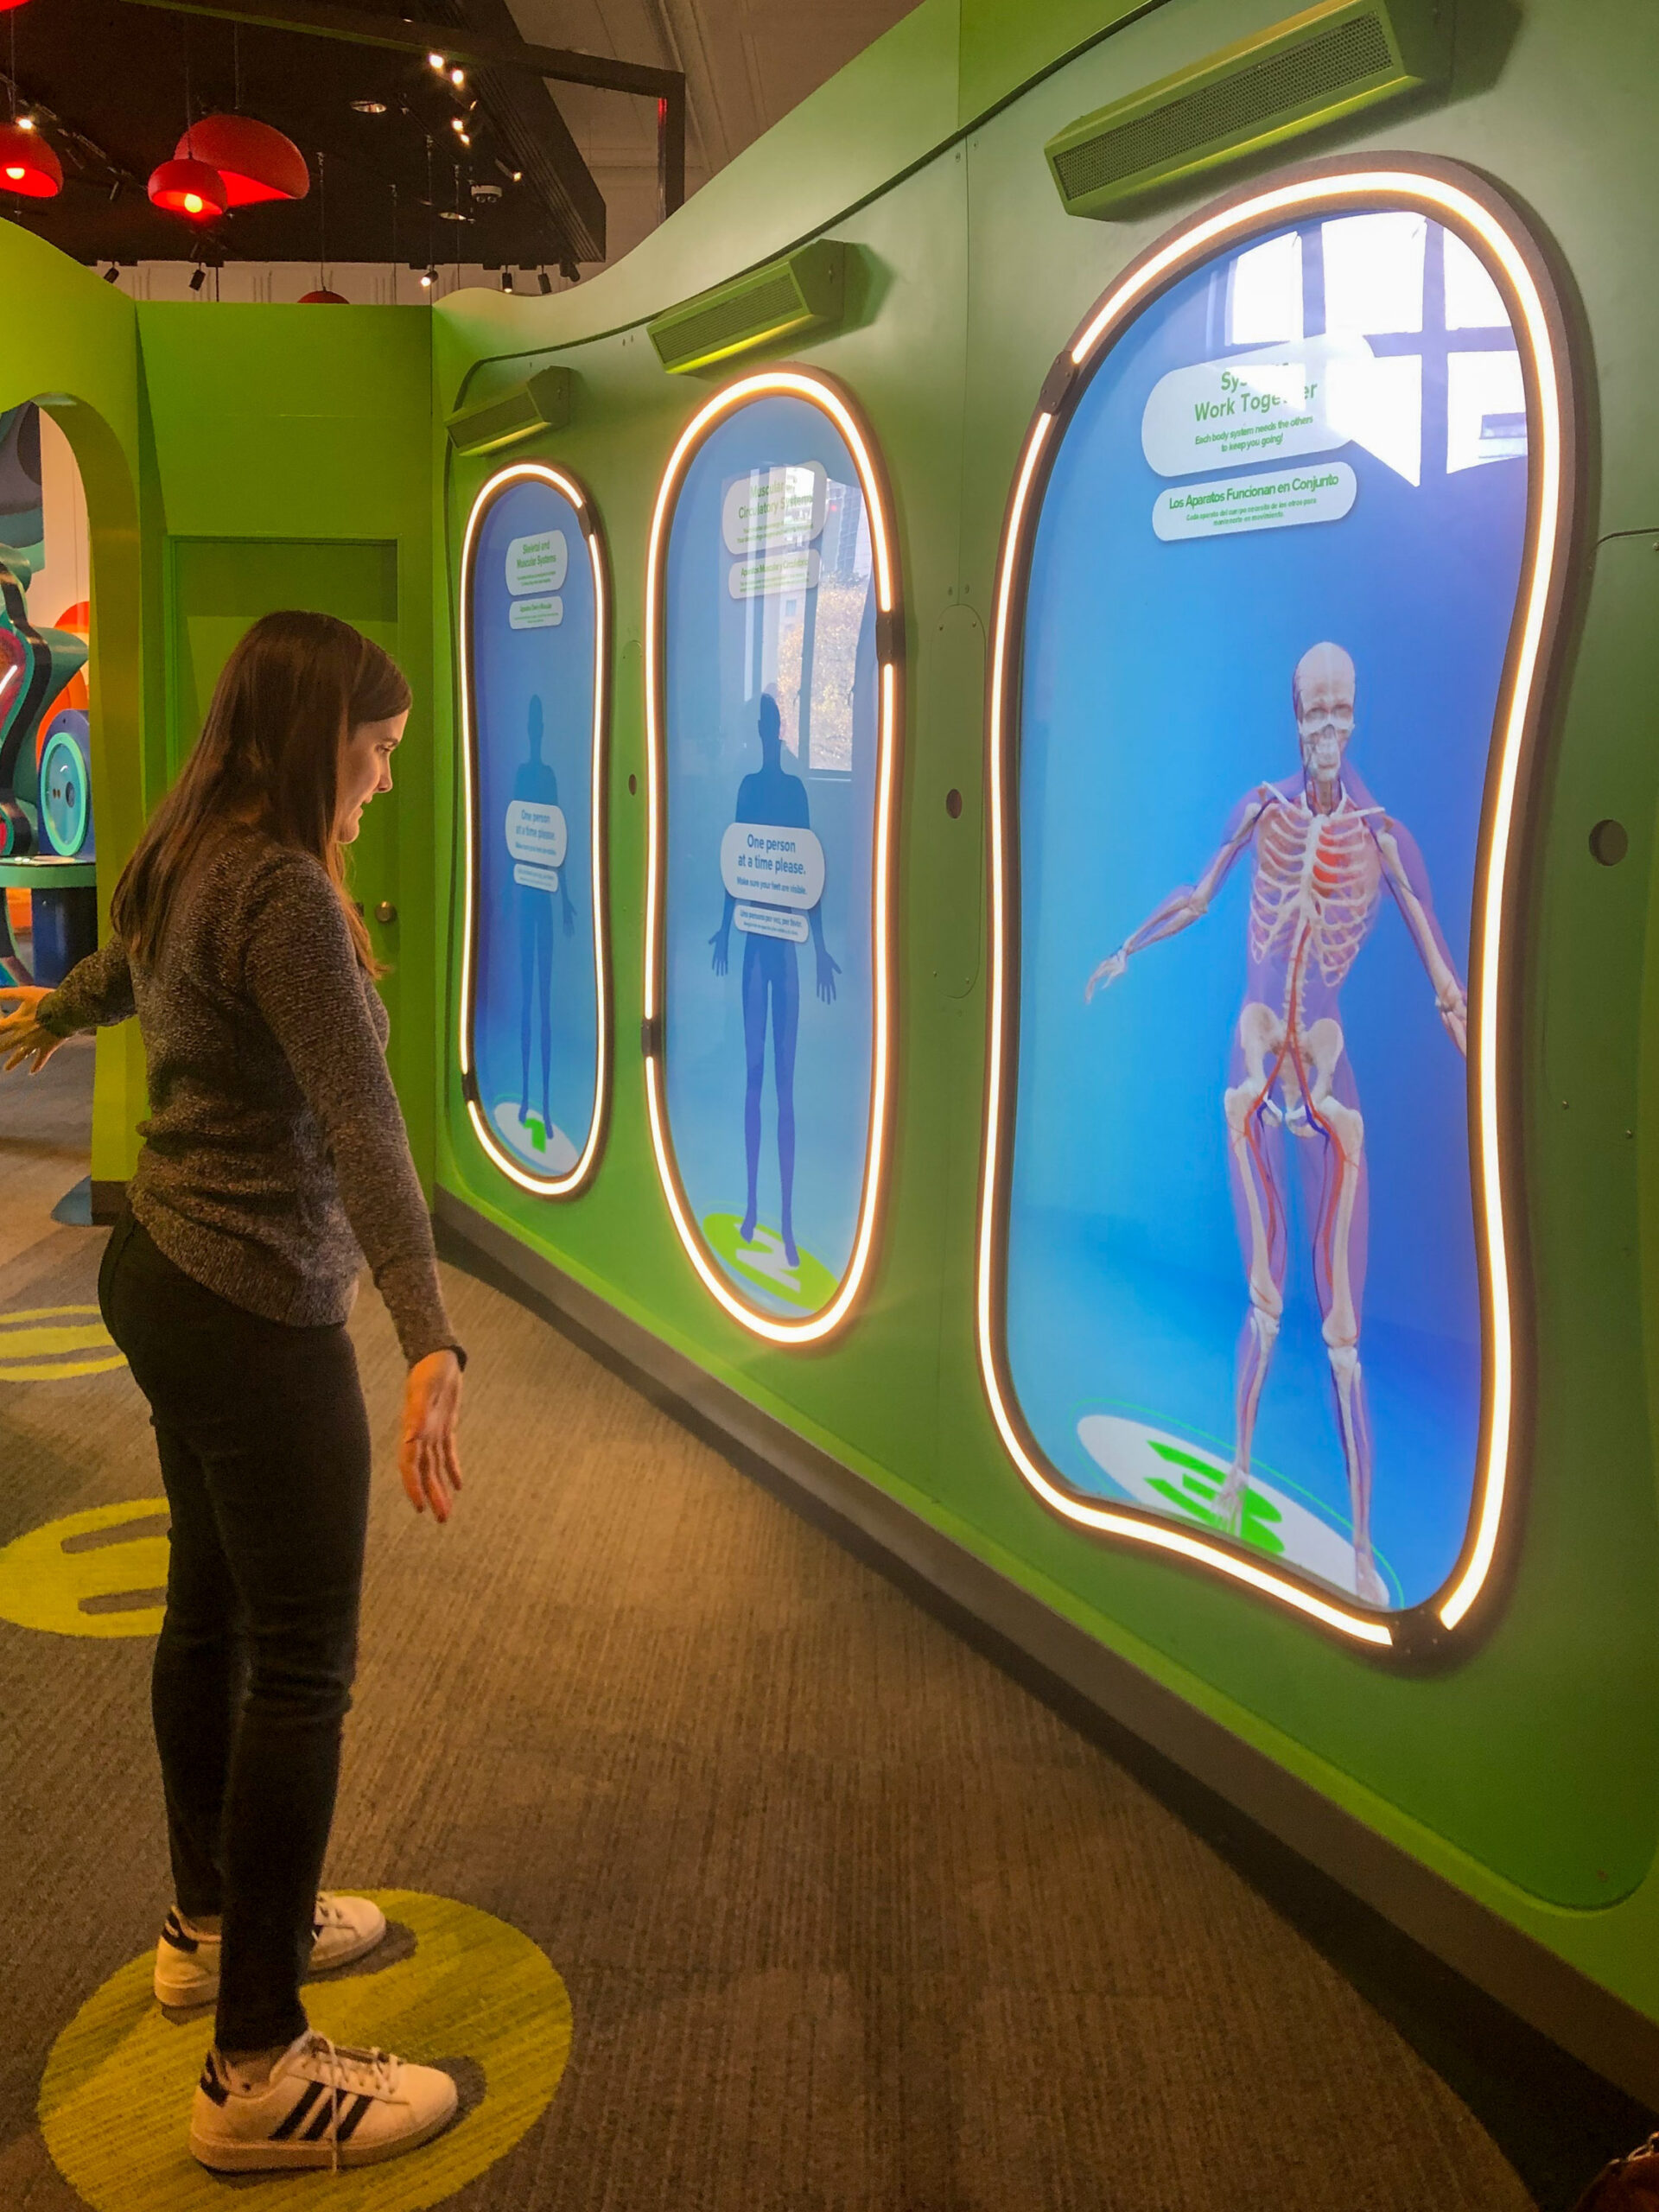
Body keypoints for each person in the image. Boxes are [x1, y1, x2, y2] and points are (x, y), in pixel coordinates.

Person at [0, 610, 467, 2172]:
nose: (384, 780)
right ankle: (258, 2065)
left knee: (212, 1615)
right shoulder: (280, 895)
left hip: (163, 1280)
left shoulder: (195, 845)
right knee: (302, 1668)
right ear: (319, 730)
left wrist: (55, 1014)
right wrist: (429, 1338)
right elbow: (370, 1130)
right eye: (379, 749)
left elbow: (127, 968)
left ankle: (208, 1927)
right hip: (256, 1312)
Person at [1084, 640, 1466, 1607]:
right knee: (1265, 1299)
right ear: (1293, 715)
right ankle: (1240, 1479)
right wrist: (1128, 947)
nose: (1327, 732)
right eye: (1314, 714)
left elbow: (1443, 980)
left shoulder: (1384, 839)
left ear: (1358, 715)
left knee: (1342, 1333)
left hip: (1328, 1079)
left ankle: (1367, 1548)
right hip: (1254, 1066)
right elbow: (1203, 895)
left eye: (1341, 714)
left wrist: (1480, 1056)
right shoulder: (1262, 811)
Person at [709, 691, 838, 1269]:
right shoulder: (751, 790)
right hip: (758, 950)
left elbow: (807, 876)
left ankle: (783, 1222)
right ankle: (755, 1210)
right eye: (759, 722)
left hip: (781, 950)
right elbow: (737, 866)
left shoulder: (790, 792)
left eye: (766, 722)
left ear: (775, 728)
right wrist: (721, 929)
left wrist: (822, 950)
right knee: (754, 1078)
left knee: (780, 1084)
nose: (762, 730)